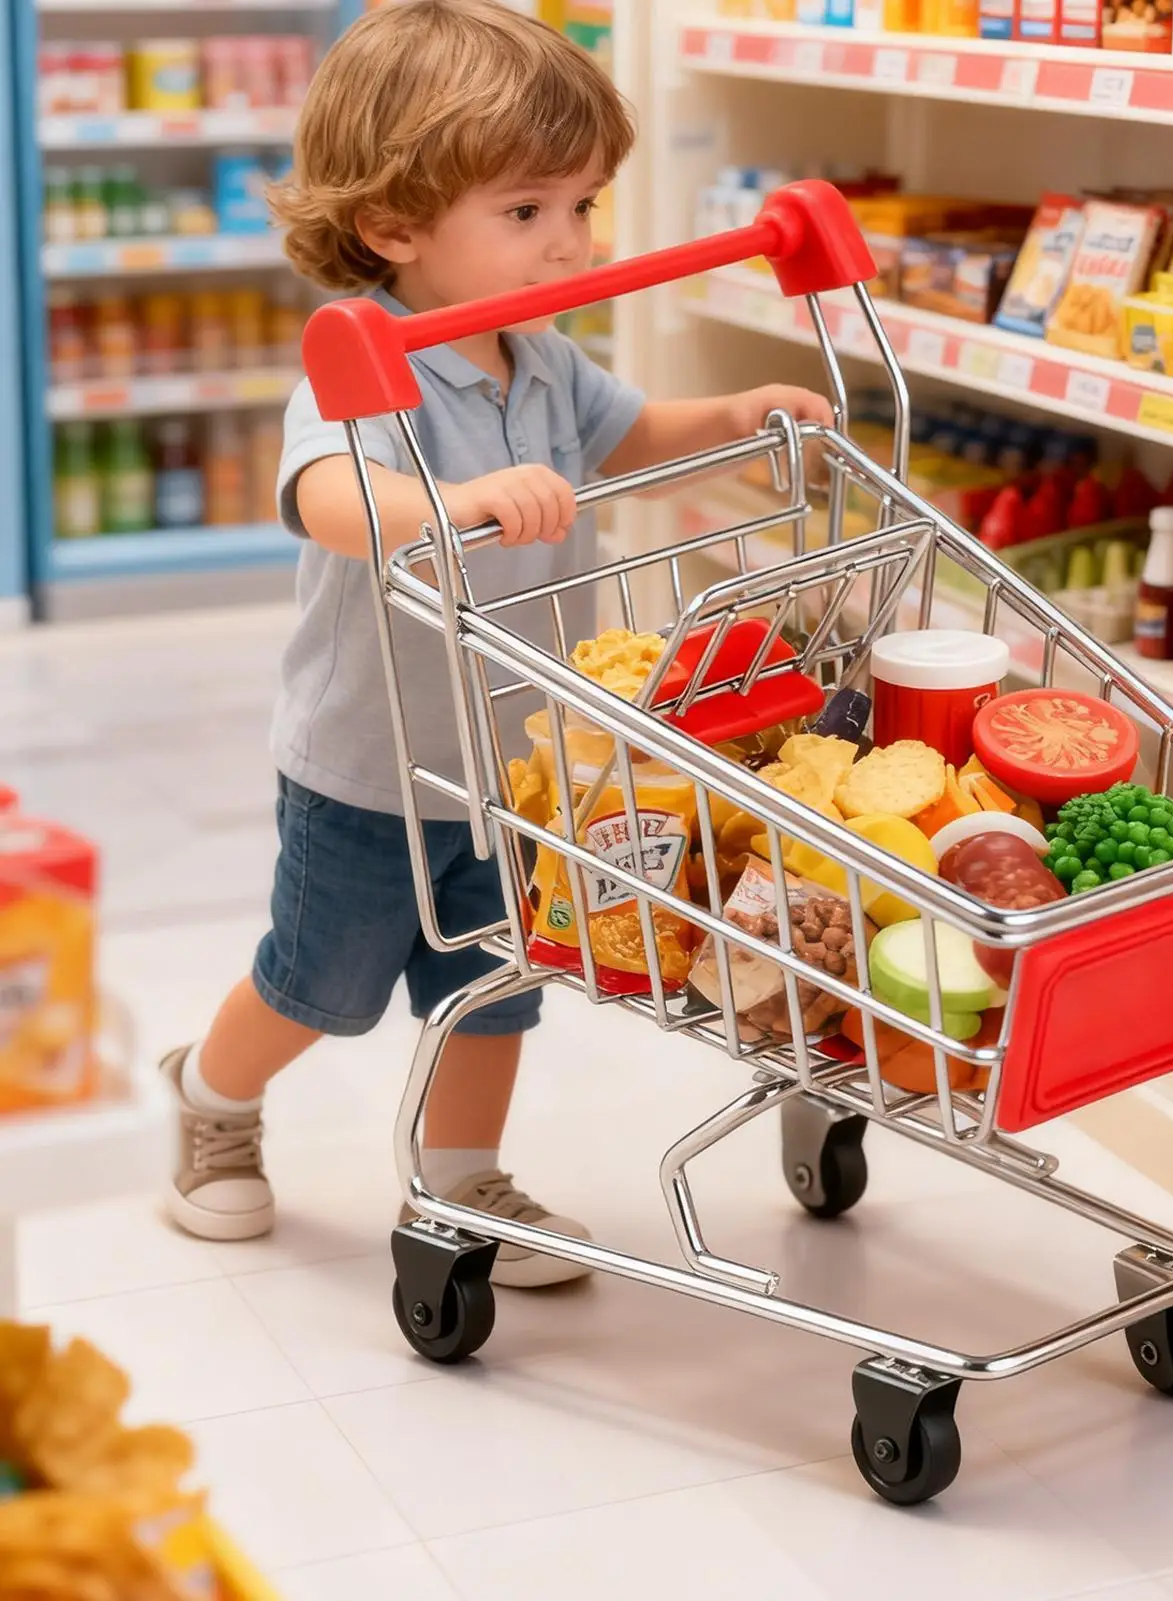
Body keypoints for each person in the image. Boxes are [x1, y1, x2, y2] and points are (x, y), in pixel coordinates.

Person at [160, 0, 832, 1287]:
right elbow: (326, 498)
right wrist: (452, 506)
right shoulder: (361, 367)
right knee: (319, 986)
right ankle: (212, 1097)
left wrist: (731, 413)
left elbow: (624, 432)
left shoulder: (546, 355)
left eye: (581, 206)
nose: (570, 242)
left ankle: (470, 1180)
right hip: (373, 768)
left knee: (503, 982)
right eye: (526, 214)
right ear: (393, 226)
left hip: (519, 762)